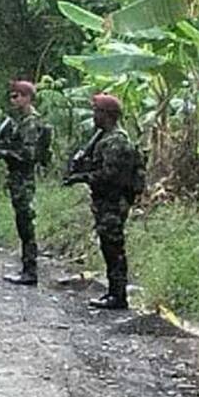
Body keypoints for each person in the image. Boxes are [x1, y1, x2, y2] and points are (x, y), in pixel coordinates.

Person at [63, 93, 143, 310]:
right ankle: (113, 292)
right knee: (108, 246)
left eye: (96, 111)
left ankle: (118, 295)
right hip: (106, 201)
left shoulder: (116, 142)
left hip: (114, 201)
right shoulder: (104, 139)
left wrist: (82, 177)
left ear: (107, 115)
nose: (93, 115)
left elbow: (110, 176)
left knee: (113, 247)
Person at [0, 79, 49, 285]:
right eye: (12, 96)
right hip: (17, 177)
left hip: (24, 177)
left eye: (16, 96)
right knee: (22, 223)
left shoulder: (31, 123)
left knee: (26, 223)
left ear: (27, 97)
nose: (13, 100)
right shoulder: (18, 122)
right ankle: (27, 268)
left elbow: (27, 155)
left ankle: (30, 271)